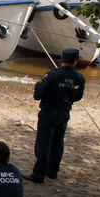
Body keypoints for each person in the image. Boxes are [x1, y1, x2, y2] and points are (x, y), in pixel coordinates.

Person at [24, 48, 86, 183]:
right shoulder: (79, 78)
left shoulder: (52, 75)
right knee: (58, 143)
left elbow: (38, 94)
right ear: (75, 61)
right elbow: (78, 97)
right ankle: (53, 171)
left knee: (43, 143)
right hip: (64, 112)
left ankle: (39, 174)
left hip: (49, 112)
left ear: (61, 59)